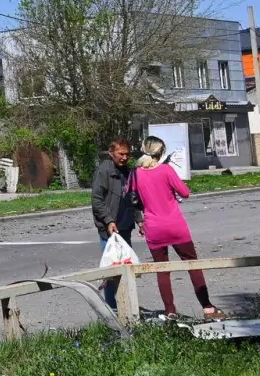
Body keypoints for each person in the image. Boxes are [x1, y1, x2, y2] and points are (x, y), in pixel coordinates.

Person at [136, 136, 225, 319]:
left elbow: (133, 199)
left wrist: (140, 220)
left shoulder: (136, 174)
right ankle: (207, 307)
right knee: (193, 264)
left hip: (154, 228)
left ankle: (170, 310)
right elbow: (185, 193)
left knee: (162, 270)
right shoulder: (166, 170)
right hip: (175, 225)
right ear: (160, 152)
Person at [90, 139, 137, 309]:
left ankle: (126, 305)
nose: (124, 157)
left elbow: (132, 197)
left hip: (125, 227)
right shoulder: (105, 171)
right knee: (112, 270)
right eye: (121, 154)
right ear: (111, 153)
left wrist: (139, 220)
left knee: (126, 268)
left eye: (127, 154)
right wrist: (108, 220)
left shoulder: (128, 171)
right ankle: (112, 307)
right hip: (109, 230)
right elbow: (96, 200)